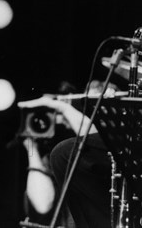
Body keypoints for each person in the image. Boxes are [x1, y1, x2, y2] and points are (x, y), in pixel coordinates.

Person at [18, 91, 112, 228]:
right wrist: (31, 147)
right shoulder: (56, 158)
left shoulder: (96, 155)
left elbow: (93, 139)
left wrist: (63, 108)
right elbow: (42, 205)